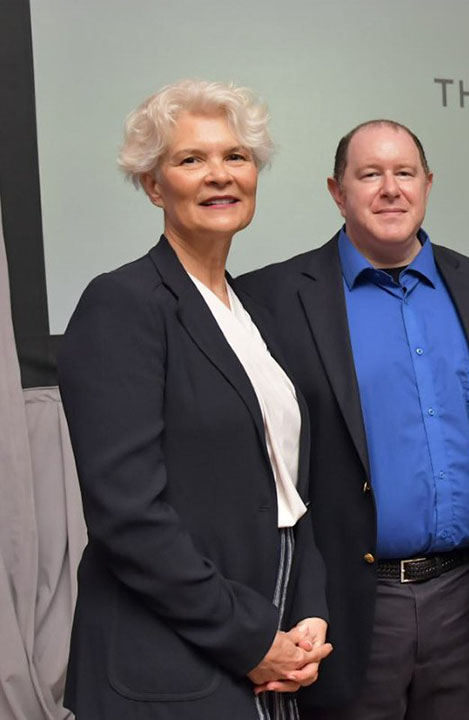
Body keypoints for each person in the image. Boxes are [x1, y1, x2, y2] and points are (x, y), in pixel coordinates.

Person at [59, 79, 332, 720]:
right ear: (154, 186)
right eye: (191, 160)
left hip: (269, 646)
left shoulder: (252, 314)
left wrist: (309, 611)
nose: (220, 175)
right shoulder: (121, 304)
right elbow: (129, 518)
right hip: (170, 665)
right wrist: (250, 639)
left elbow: (290, 489)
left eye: (236, 157)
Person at [237, 119, 469, 719]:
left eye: (404, 173)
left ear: (427, 183)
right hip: (352, 604)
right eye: (369, 174)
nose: (390, 188)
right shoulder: (276, 299)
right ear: (336, 192)